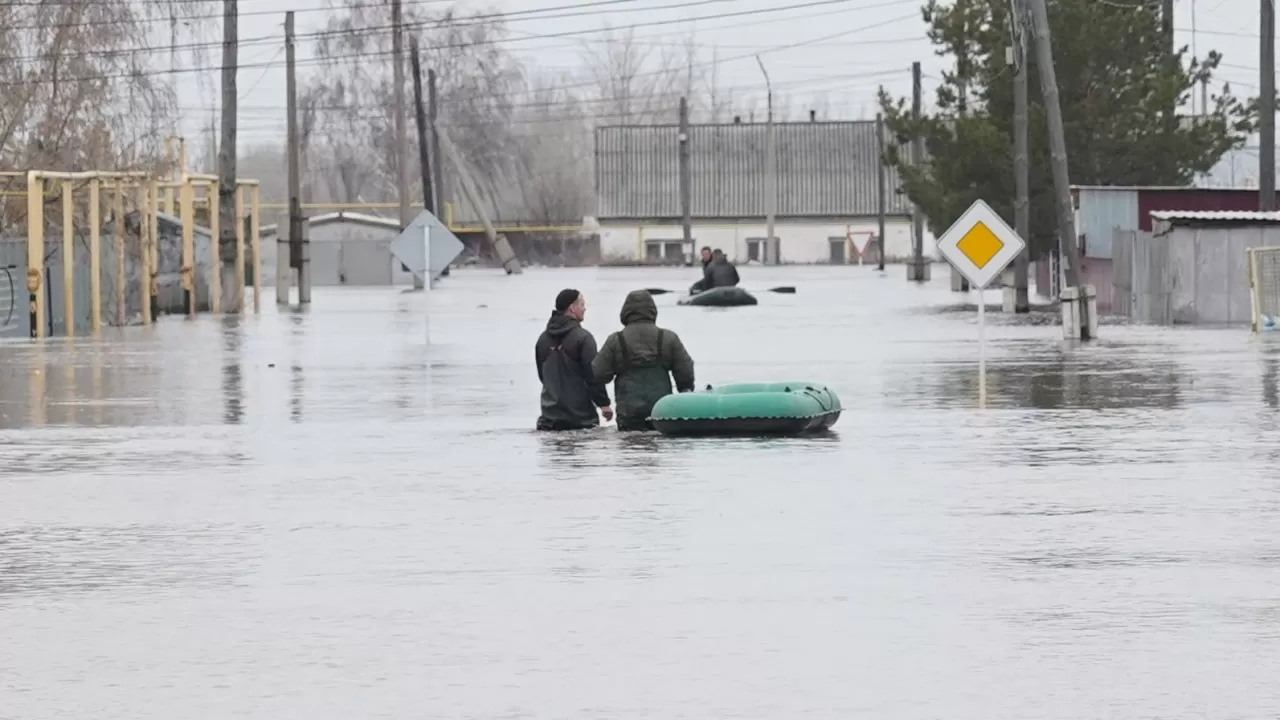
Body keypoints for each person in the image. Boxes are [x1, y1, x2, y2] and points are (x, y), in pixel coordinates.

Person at [592, 289, 696, 431]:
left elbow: (597, 373)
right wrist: (685, 388)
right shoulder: (668, 337)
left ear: (625, 311)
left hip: (629, 412)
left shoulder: (616, 340)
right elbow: (685, 370)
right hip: (662, 410)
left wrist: (603, 400)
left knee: (631, 448)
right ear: (652, 311)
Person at [534, 289, 613, 431]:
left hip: (549, 420)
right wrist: (604, 404)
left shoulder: (542, 339)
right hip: (581, 420)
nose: (585, 309)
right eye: (582, 304)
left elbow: (543, 377)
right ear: (572, 308)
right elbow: (592, 375)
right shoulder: (583, 338)